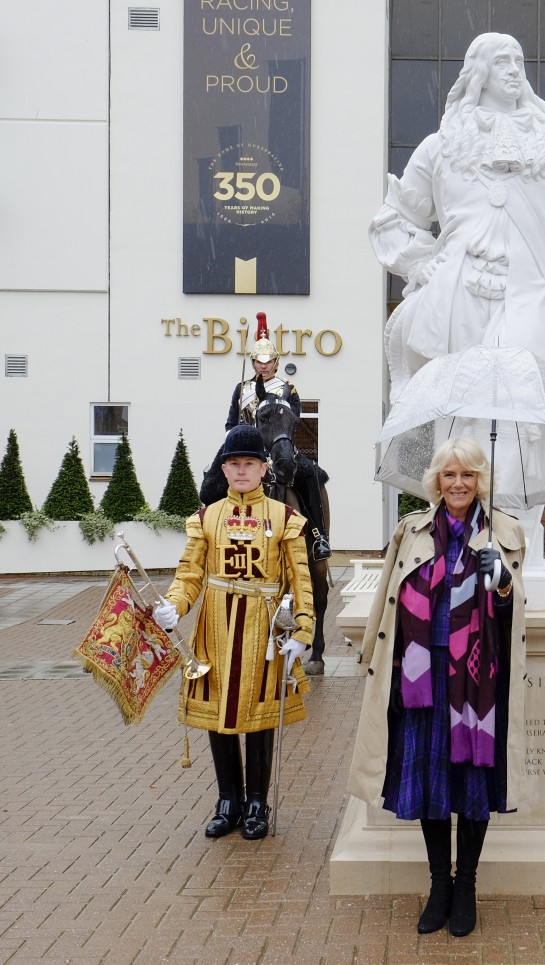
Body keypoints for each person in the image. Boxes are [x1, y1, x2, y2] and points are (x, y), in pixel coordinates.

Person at [368, 32, 545, 400]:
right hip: (455, 299)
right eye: (503, 61)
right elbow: (391, 221)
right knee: (457, 418)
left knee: (524, 422)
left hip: (527, 297)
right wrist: (421, 266)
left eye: (519, 61)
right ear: (479, 71)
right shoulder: (442, 145)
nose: (515, 70)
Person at [347, 437, 526, 937]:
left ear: (480, 480)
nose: (458, 484)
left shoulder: (504, 533)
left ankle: (465, 884)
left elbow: (515, 617)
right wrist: (369, 654)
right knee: (428, 783)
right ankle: (438, 885)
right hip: (422, 678)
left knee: (470, 783)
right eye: (449, 475)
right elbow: (388, 597)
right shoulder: (412, 531)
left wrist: (503, 580)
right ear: (436, 482)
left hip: (478, 681)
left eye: (468, 475)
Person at [152, 424, 315, 841]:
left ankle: (258, 801)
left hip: (264, 629)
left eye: (250, 464)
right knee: (218, 710)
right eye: (234, 464)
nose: (241, 471)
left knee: (260, 714)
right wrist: (175, 605)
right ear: (224, 470)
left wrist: (303, 629)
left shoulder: (286, 519)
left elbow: (300, 580)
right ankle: (229, 800)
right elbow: (189, 575)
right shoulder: (206, 518)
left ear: (264, 469)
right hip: (216, 626)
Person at [202, 311, 332, 561]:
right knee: (211, 484)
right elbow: (230, 422)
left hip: (278, 445)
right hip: (247, 444)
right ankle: (208, 534)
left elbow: (293, 417)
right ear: (253, 363)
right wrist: (238, 433)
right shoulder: (242, 389)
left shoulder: (287, 387)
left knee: (313, 475)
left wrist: (275, 405)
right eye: (259, 362)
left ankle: (319, 537)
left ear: (276, 362)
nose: (264, 366)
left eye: (268, 361)